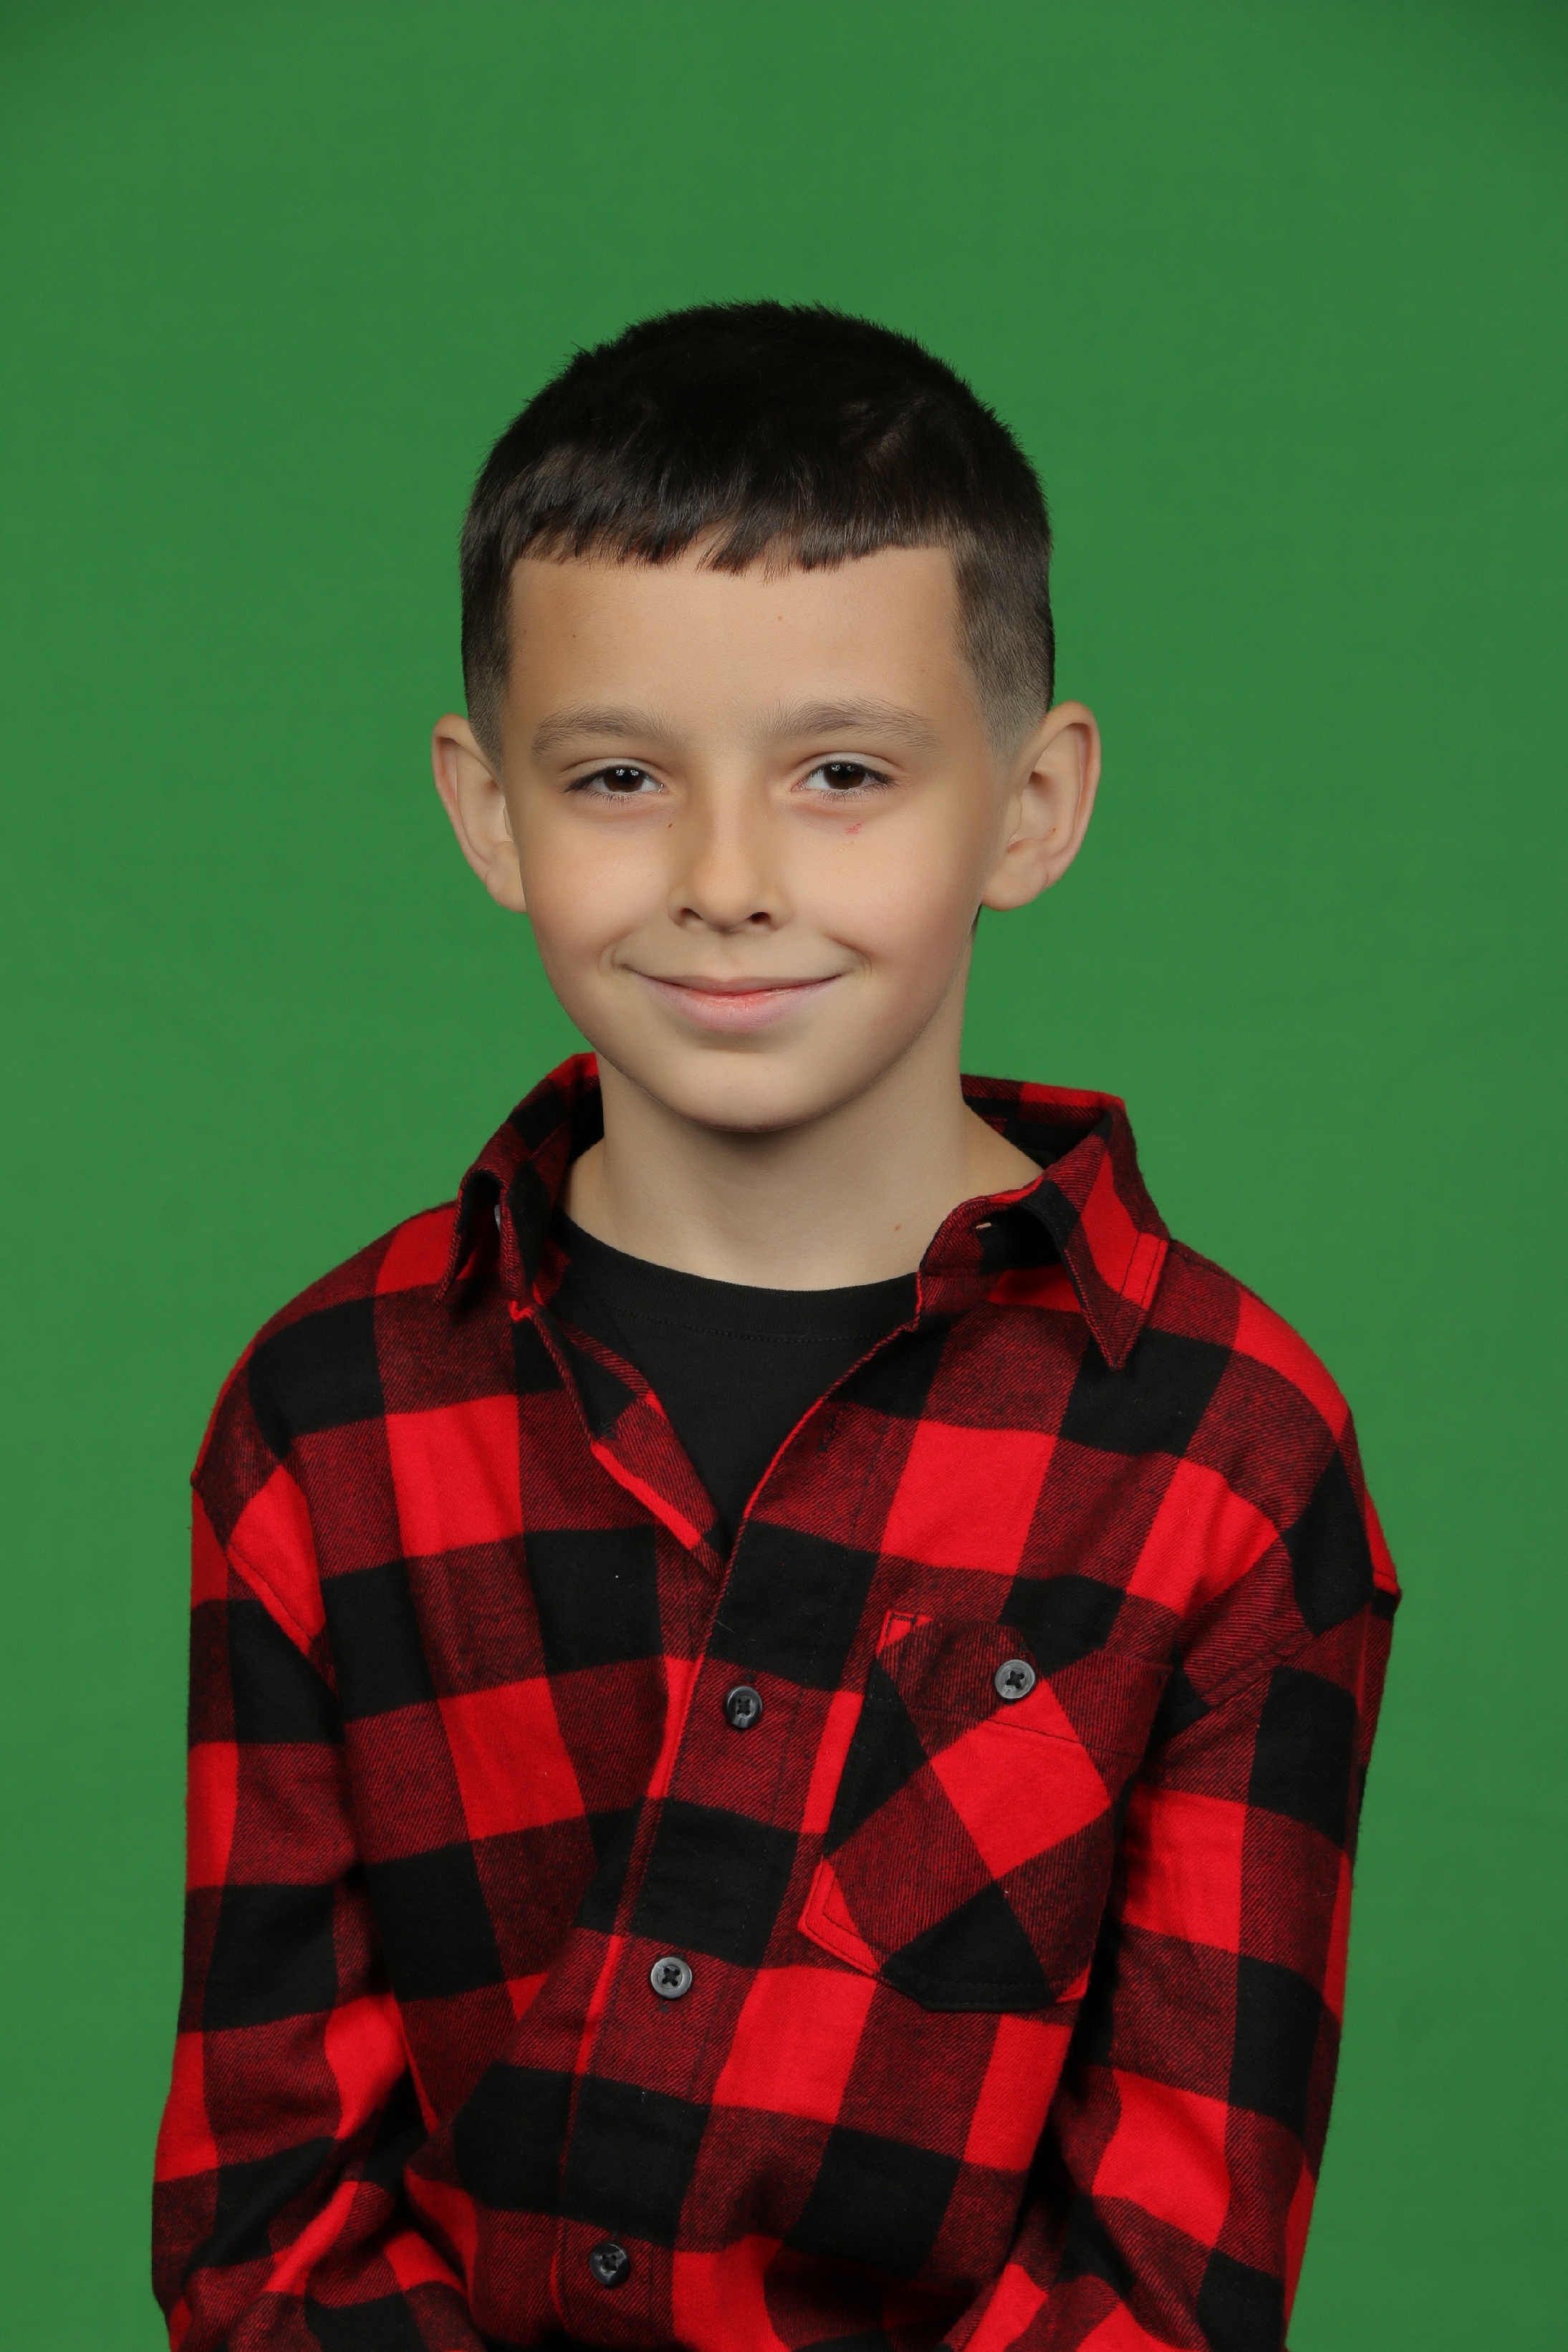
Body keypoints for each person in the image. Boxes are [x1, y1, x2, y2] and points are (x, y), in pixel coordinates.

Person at [153, 303, 1399, 2352]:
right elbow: (268, 2214)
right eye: (619, 775)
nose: (727, 878)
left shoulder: (1227, 1457)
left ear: (1031, 805)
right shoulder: (325, 1418)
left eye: (840, 773)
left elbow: (1169, 2268)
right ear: (489, 810)